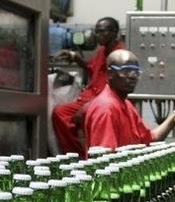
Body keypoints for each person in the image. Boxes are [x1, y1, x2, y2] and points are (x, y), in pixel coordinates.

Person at [83, 49, 175, 150]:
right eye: (126, 70)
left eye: (136, 71)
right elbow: (106, 161)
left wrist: (174, 117)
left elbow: (149, 141)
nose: (133, 76)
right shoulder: (106, 108)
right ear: (110, 73)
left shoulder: (126, 105)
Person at [51, 17, 125, 156]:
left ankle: (81, 157)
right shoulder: (103, 51)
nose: (97, 36)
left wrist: (88, 106)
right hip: (89, 98)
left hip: (102, 102)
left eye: (101, 32)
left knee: (64, 114)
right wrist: (74, 56)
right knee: (60, 113)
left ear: (114, 32)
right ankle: (74, 155)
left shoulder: (119, 55)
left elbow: (117, 87)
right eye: (96, 32)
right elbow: (91, 67)